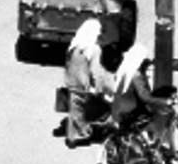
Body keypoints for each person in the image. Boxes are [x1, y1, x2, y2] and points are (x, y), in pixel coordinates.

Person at [58, 19, 111, 148]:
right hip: (82, 84)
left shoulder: (75, 45)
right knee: (83, 109)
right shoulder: (93, 48)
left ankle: (71, 138)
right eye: (100, 32)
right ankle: (86, 131)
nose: (100, 35)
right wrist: (101, 89)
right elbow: (96, 72)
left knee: (74, 109)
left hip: (70, 82)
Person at [110, 44, 170, 142]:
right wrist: (164, 101)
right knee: (150, 113)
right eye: (145, 62)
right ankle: (151, 141)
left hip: (116, 108)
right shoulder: (136, 74)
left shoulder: (124, 67)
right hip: (127, 109)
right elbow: (145, 97)